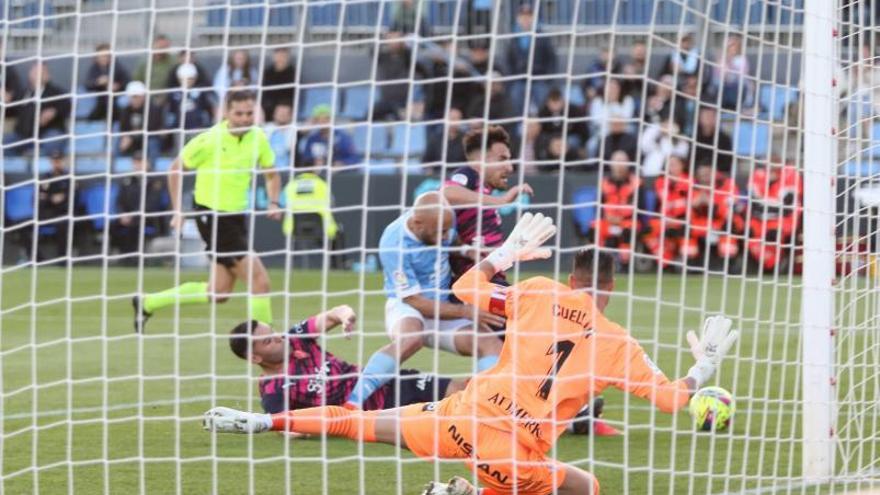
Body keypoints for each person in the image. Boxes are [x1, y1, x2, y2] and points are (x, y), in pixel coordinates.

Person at [204, 213, 739, 495]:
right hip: (510, 447)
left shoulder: (537, 290)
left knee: (356, 423)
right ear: (611, 286)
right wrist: (704, 365)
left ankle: (259, 422)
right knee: (585, 486)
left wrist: (504, 253)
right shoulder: (621, 344)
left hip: (459, 416)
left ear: (570, 276)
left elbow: (464, 289)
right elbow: (675, 401)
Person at [132, 90, 281, 333]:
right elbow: (175, 169)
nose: (245, 118)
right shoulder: (210, 140)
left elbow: (272, 173)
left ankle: (148, 302)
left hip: (236, 216)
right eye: (239, 113)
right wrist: (178, 211)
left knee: (219, 291)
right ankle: (267, 342)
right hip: (211, 216)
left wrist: (274, 202)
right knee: (260, 281)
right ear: (226, 112)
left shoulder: (258, 137)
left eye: (249, 113)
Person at [342, 192, 503, 409]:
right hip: (408, 308)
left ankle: (481, 406)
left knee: (491, 344)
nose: (445, 236)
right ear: (418, 224)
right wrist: (466, 312)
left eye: (447, 229)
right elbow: (414, 300)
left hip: (443, 312)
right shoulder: (393, 242)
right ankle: (353, 402)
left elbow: (452, 237)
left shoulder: (438, 222)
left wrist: (466, 250)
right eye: (440, 232)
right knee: (412, 338)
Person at [229, 305, 466, 416]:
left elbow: (334, 313)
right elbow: (284, 424)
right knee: (455, 412)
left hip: (384, 381)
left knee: (463, 389)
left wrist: (345, 316)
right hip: (379, 413)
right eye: (268, 341)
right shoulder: (273, 390)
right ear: (254, 357)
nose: (278, 338)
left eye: (273, 332)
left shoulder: (296, 339)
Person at [441, 126, 532, 285]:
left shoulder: (482, 195)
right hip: (473, 281)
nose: (510, 168)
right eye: (502, 159)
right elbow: (446, 193)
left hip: (489, 279)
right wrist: (502, 201)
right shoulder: (468, 174)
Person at [3, 62, 71, 157]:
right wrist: (5, 103)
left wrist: (54, 111)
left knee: (53, 139)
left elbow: (67, 104)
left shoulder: (56, 92)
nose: (38, 75)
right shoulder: (23, 93)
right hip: (23, 135)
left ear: (48, 76)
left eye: (42, 72)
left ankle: (50, 167)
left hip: (47, 133)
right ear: (30, 74)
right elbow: (11, 112)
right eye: (35, 72)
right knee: (5, 142)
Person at [590, 150, 644, 265]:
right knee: (594, 228)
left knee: (628, 231)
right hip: (608, 222)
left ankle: (625, 264)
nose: (619, 165)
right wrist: (607, 217)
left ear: (629, 163)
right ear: (611, 164)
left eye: (623, 161)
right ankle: (598, 262)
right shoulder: (604, 183)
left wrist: (622, 218)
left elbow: (641, 208)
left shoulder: (637, 183)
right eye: (617, 161)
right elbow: (598, 207)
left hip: (628, 222)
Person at [746, 160, 802, 271]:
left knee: (774, 234)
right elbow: (754, 205)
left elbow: (787, 208)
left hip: (784, 220)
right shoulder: (757, 177)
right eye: (768, 169)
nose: (770, 172)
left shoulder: (791, 176)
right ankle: (770, 264)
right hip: (759, 220)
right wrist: (773, 205)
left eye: (774, 168)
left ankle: (778, 263)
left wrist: (765, 205)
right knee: (748, 233)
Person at [111, 153, 168, 260]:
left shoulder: (156, 180)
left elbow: (152, 204)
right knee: (112, 225)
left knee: (135, 225)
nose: (137, 165)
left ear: (147, 163)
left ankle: (133, 257)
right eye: (135, 162)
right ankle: (121, 254)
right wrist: (122, 214)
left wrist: (133, 215)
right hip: (128, 216)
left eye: (140, 162)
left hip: (149, 217)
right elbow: (119, 201)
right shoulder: (127, 180)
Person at [37, 150, 73, 261]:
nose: (56, 163)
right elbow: (38, 197)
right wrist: (52, 198)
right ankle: (38, 259)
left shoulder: (69, 178)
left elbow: (74, 197)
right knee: (24, 226)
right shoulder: (45, 177)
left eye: (58, 160)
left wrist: (63, 198)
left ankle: (62, 260)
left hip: (63, 213)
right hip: (48, 213)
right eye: (54, 161)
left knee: (63, 225)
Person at [83, 42, 130, 121]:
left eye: (106, 56)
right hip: (100, 101)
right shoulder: (94, 68)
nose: (103, 58)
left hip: (115, 99)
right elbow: (87, 85)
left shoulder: (117, 67)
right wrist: (98, 82)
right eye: (101, 56)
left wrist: (117, 86)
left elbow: (127, 82)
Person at [117, 81, 163, 157]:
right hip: (132, 140)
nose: (134, 99)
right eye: (131, 97)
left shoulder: (153, 108)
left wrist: (132, 135)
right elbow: (123, 128)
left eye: (136, 96)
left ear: (143, 96)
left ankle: (151, 167)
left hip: (148, 138)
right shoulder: (125, 110)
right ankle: (114, 167)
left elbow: (153, 127)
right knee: (117, 142)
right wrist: (126, 137)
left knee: (152, 143)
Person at [261, 47, 296, 119]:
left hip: (285, 105)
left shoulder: (292, 73)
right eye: (278, 56)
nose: (280, 59)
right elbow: (265, 93)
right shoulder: (268, 72)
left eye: (283, 56)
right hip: (269, 106)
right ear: (274, 57)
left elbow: (291, 94)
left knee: (283, 110)